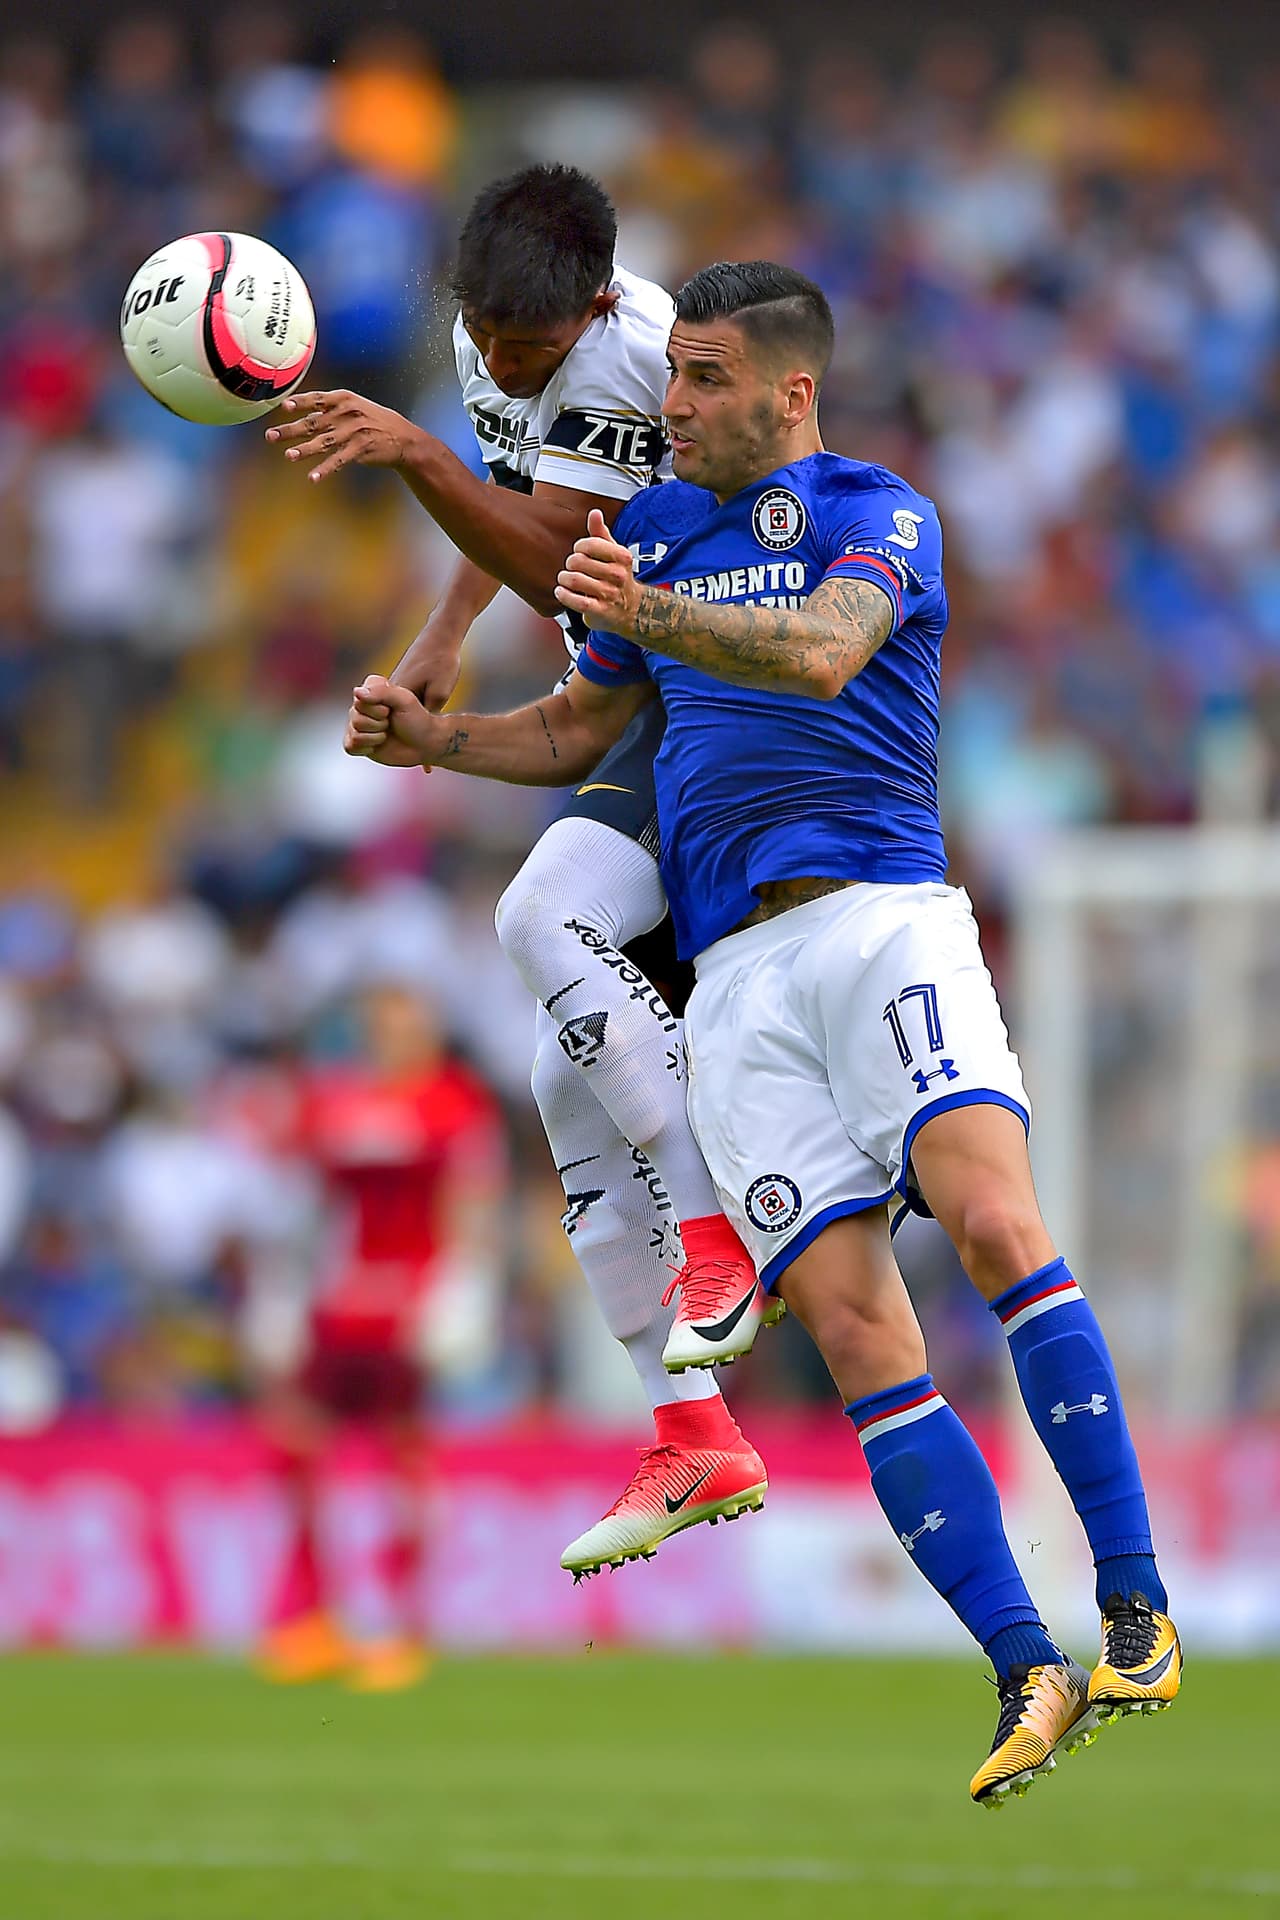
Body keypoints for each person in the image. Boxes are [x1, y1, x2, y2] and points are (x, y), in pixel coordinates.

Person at [344, 259, 1182, 1805]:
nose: (673, 405)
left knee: (997, 1223)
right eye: (673, 380)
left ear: (790, 390)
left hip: (882, 918)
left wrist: (644, 607)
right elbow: (578, 732)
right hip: (732, 982)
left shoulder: (882, 509)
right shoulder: (650, 525)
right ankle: (1026, 1665)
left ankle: (1134, 1604)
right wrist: (440, 742)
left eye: (705, 379)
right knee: (864, 1334)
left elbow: (822, 652)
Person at [266, 166, 769, 1578]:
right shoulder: (497, 336)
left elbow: (560, 556)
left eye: (521, 349)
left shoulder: (633, 356)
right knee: (564, 1076)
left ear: (597, 312)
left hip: (717, 702)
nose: (495, 361)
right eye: (480, 334)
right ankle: (694, 1432)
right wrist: (438, 644)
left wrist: (413, 460)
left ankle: (722, 1230)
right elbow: (511, 494)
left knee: (538, 912)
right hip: (634, 693)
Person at [256, 980, 504, 1690]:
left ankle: (400, 1624)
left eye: (401, 1025)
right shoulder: (338, 1103)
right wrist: (283, 1293)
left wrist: (465, 1291)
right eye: (379, 1025)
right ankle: (316, 1615)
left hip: (413, 1296)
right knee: (295, 1442)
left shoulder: (454, 1104)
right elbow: (305, 1206)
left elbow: (473, 1199)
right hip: (342, 1299)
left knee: (404, 1455)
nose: (388, 1037)